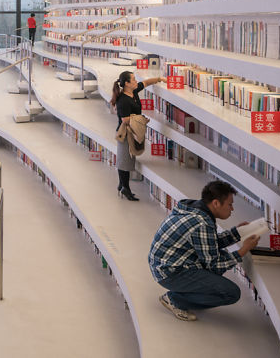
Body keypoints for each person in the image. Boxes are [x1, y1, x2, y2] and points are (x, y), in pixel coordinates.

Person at [148, 180, 260, 321]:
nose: (232, 209)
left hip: (164, 265)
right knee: (231, 293)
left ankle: (179, 295)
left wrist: (237, 233)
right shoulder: (202, 223)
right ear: (216, 203)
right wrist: (243, 250)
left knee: (221, 256)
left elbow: (208, 242)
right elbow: (214, 266)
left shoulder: (194, 211)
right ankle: (175, 299)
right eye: (230, 204)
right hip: (170, 272)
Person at [110, 70, 164, 200]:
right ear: (127, 83)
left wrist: (159, 79)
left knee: (127, 159)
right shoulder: (123, 100)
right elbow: (125, 120)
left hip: (132, 130)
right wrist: (141, 119)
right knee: (125, 162)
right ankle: (125, 188)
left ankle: (121, 185)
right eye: (133, 79)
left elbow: (146, 83)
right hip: (125, 132)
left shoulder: (133, 91)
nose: (136, 81)